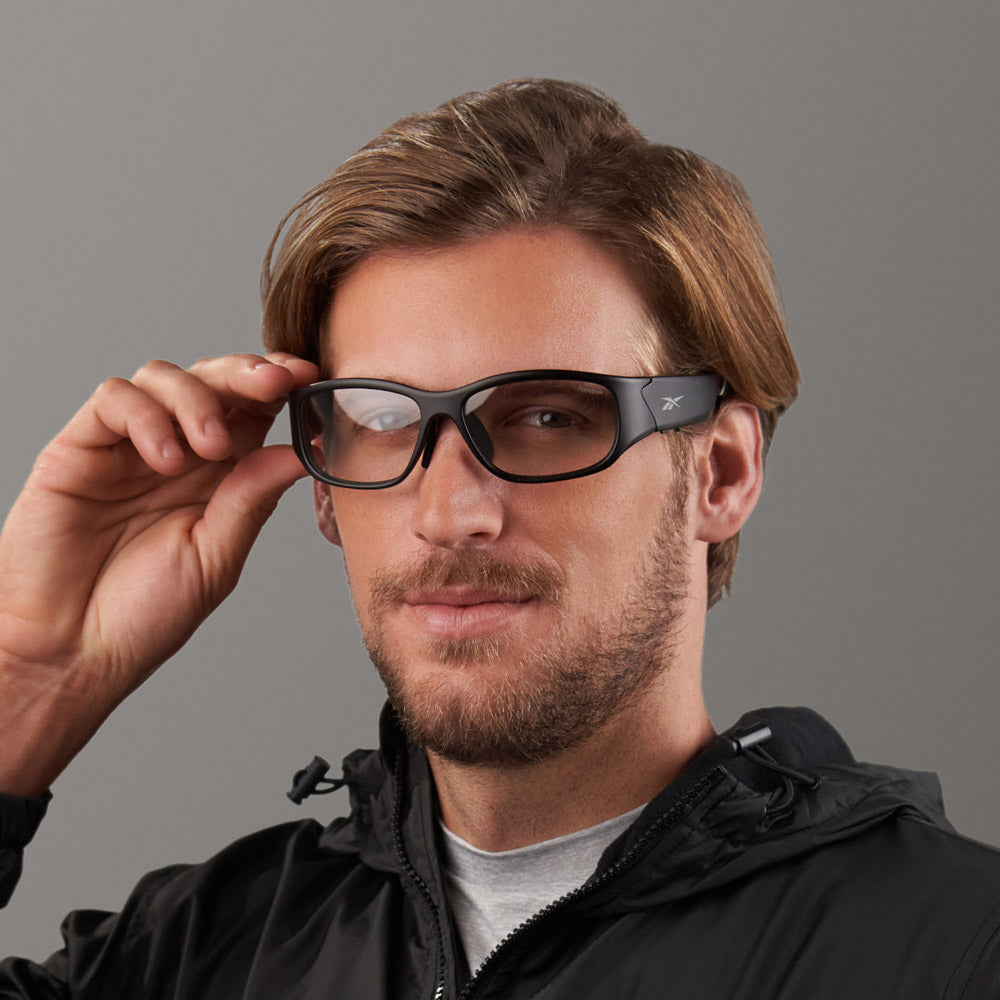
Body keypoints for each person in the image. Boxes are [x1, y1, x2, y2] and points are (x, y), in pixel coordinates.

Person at [0, 79, 997, 998]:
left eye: (549, 415)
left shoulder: (949, 949)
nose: (449, 512)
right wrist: (24, 684)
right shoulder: (196, 956)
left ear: (720, 472)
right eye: (384, 419)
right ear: (322, 484)